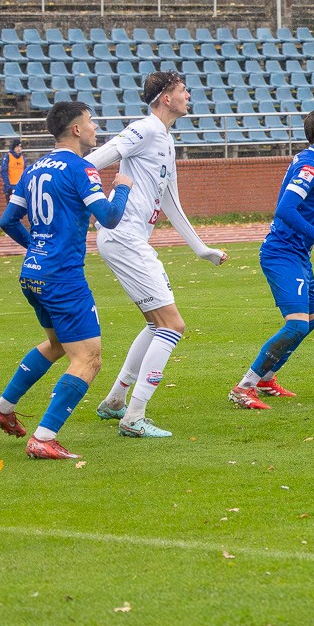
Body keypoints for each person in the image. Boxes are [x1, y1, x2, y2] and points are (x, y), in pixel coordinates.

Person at [0, 101, 132, 460]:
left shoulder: (34, 170)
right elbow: (110, 217)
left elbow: (8, 220)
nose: (96, 127)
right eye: (92, 122)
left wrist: (37, 247)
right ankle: (44, 437)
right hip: (63, 277)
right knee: (89, 358)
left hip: (33, 273)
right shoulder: (82, 168)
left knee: (55, 345)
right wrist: (123, 186)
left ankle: (2, 410)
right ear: (77, 130)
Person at [88, 71, 228, 438]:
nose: (188, 95)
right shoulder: (145, 128)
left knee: (156, 324)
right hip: (123, 237)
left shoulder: (165, 140)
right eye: (183, 90)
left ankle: (116, 401)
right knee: (173, 326)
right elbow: (97, 159)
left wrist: (201, 249)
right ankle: (134, 417)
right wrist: (75, 185)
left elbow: (170, 201)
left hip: (131, 239)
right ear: (166, 98)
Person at [228, 107, 314, 409]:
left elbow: (311, 214)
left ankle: (266, 379)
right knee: (297, 326)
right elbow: (285, 210)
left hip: (298, 254)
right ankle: (243, 386)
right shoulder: (311, 166)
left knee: (309, 323)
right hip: (282, 253)